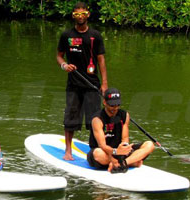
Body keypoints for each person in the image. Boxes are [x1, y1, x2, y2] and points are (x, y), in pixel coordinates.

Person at [56, 1, 108, 160]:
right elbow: (59, 56)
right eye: (77, 14)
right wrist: (64, 65)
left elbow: (101, 61)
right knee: (70, 117)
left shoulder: (95, 35)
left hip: (92, 84)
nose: (80, 17)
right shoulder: (66, 35)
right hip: (73, 84)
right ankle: (68, 151)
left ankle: (95, 151)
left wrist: (104, 84)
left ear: (88, 15)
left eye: (83, 14)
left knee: (95, 119)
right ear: (73, 16)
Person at [88, 88, 154, 173]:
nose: (115, 108)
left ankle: (124, 163)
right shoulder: (97, 119)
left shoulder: (124, 115)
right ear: (104, 102)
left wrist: (124, 149)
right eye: (112, 105)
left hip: (120, 153)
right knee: (98, 153)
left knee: (149, 145)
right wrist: (115, 153)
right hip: (104, 152)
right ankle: (129, 162)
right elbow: (102, 146)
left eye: (117, 105)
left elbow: (125, 139)